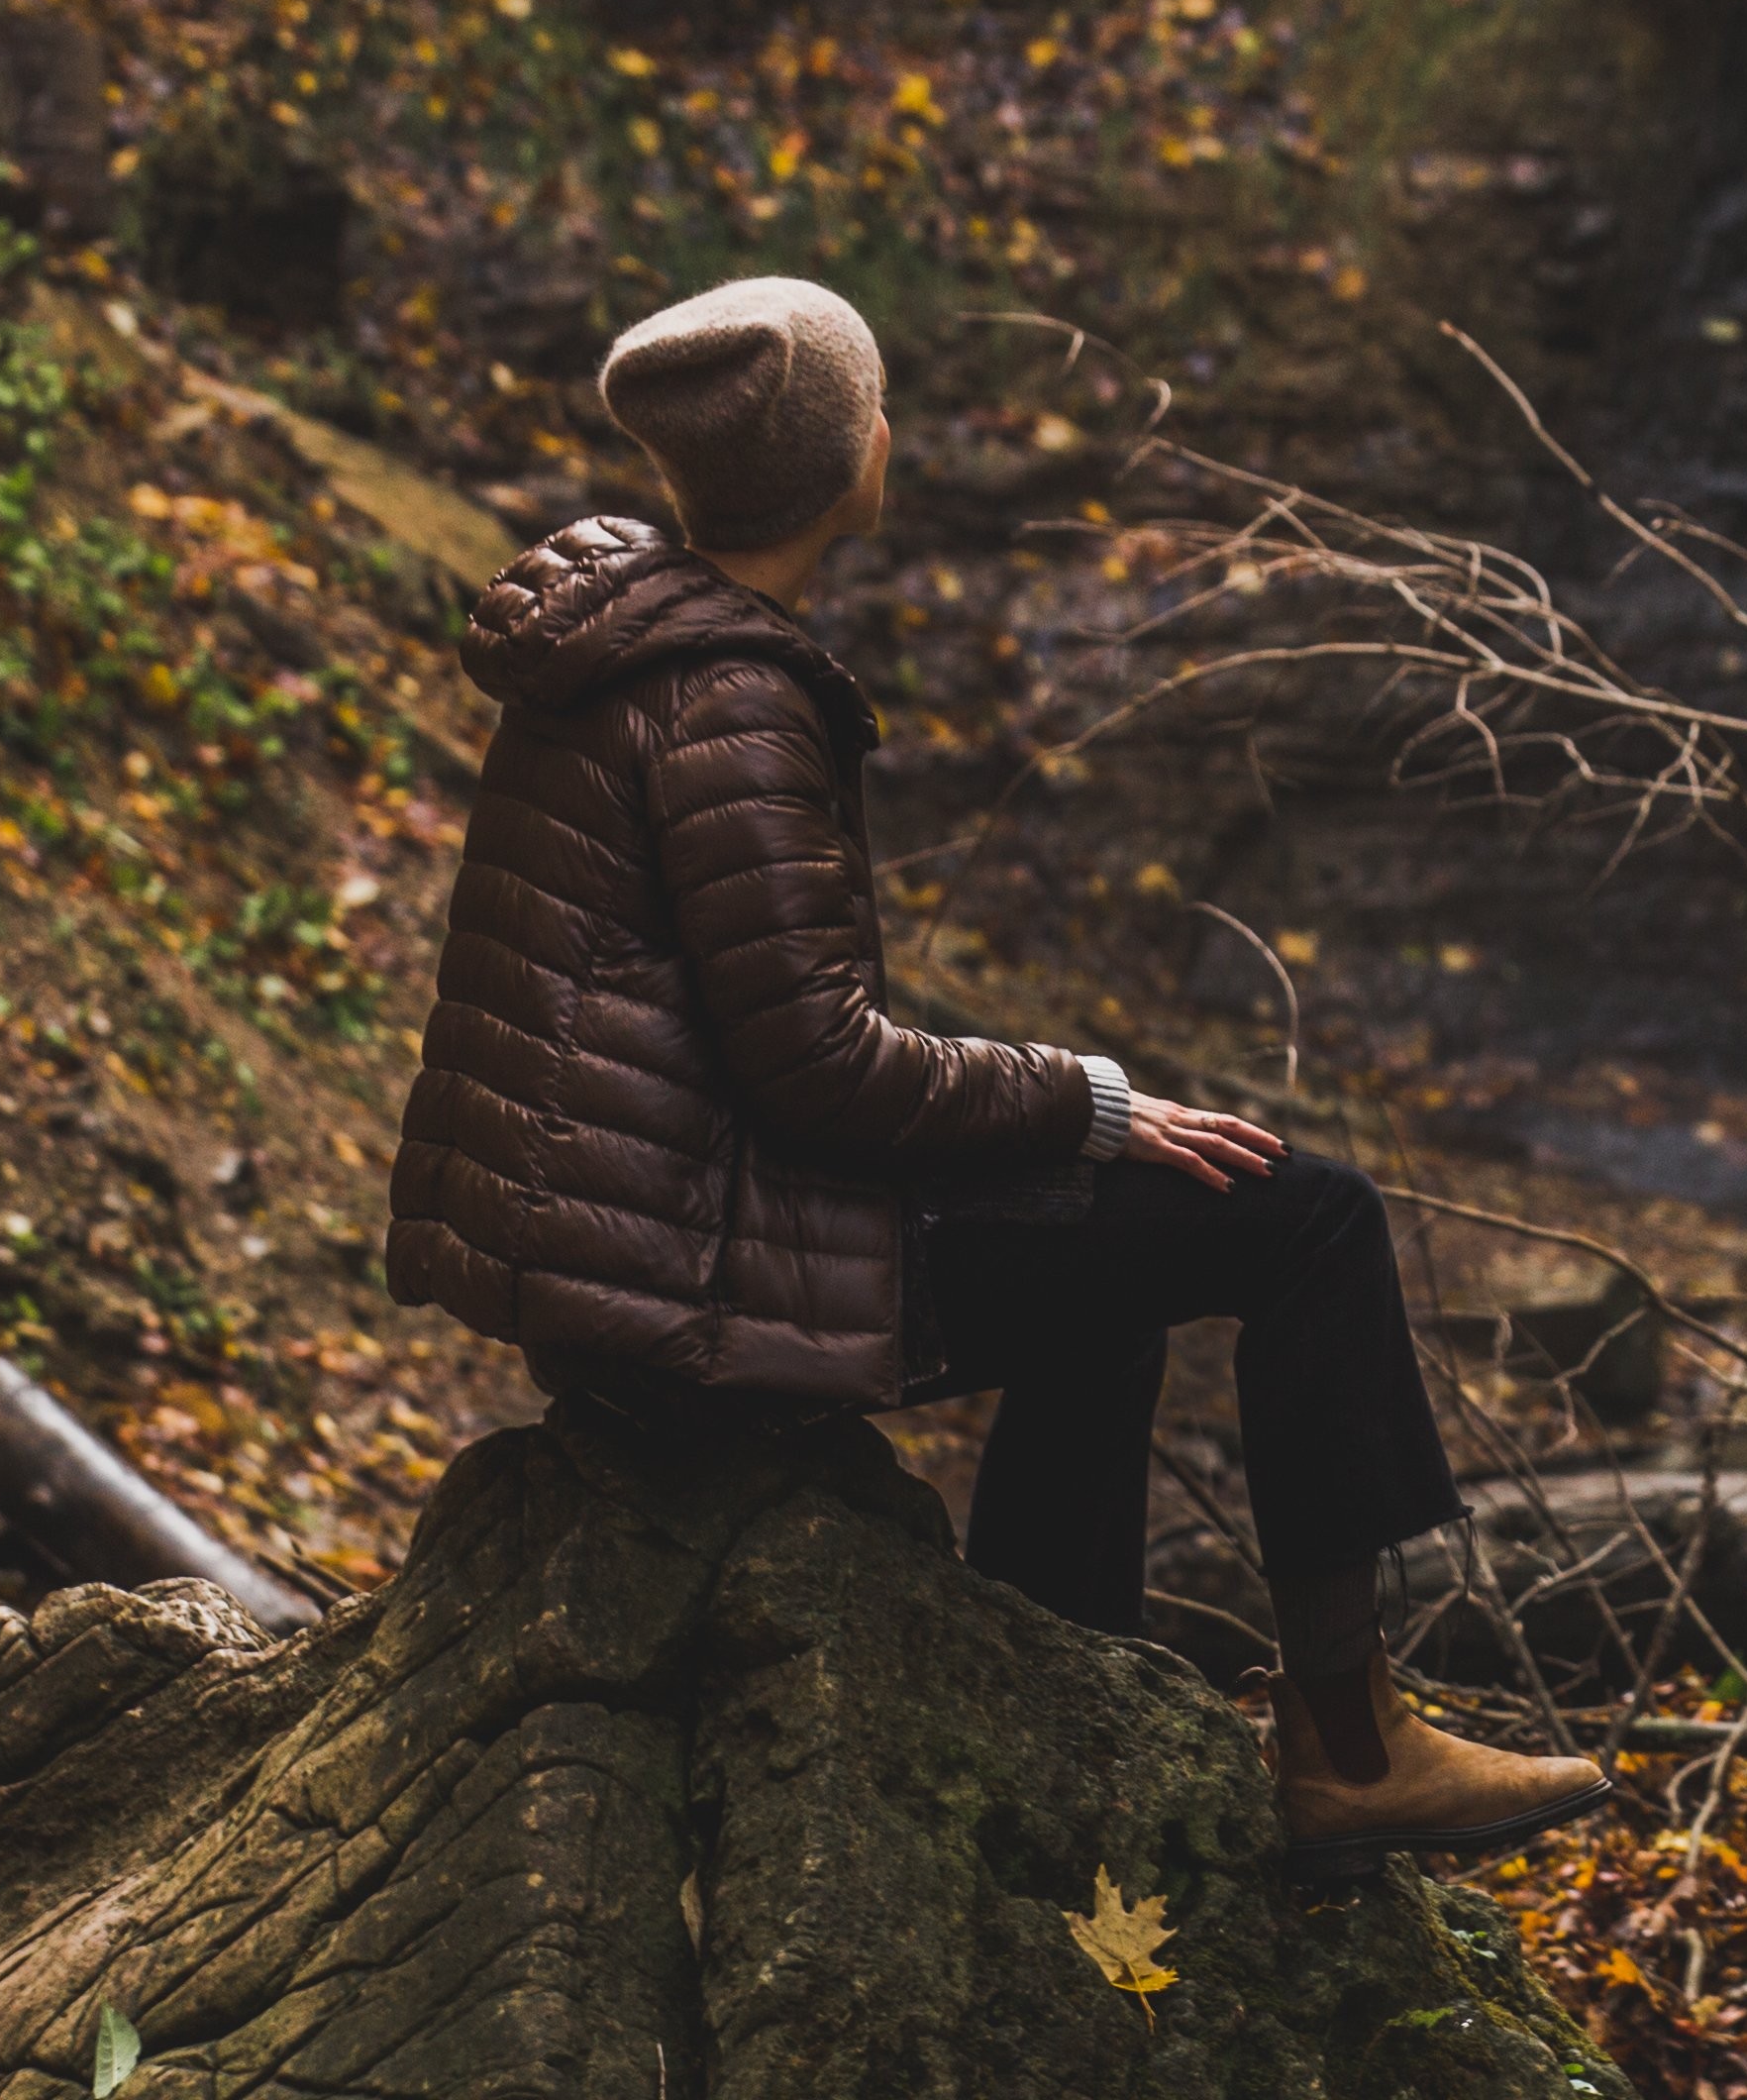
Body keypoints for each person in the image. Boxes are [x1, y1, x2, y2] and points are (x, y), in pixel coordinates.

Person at [382, 272, 1604, 1873]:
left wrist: (1075, 1128)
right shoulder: (729, 702)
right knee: (1309, 1218)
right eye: (875, 404)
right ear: (843, 463)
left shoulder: (622, 638)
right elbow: (819, 1065)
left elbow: (760, 1029)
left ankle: (1056, 1685)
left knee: (1111, 1252)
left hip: (631, 1256)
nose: (892, 426)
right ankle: (1351, 1747)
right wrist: (1080, 1095)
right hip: (692, 1286)